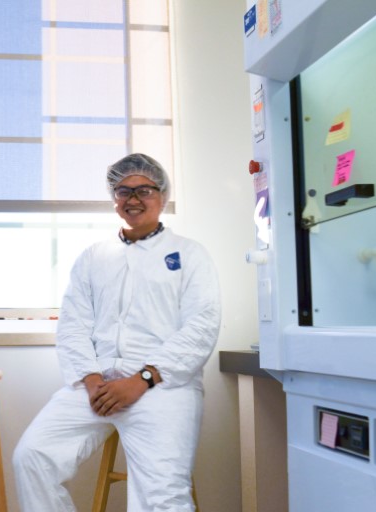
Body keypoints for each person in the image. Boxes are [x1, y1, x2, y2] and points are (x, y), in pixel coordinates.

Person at [12, 153, 222, 512]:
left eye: (145, 190)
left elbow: (202, 325)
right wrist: (92, 379)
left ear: (163, 197)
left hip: (161, 387)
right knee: (32, 457)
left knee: (162, 496)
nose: (133, 199)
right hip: (97, 386)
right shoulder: (94, 257)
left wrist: (142, 378)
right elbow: (73, 324)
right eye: (124, 191)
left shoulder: (190, 254)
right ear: (114, 198)